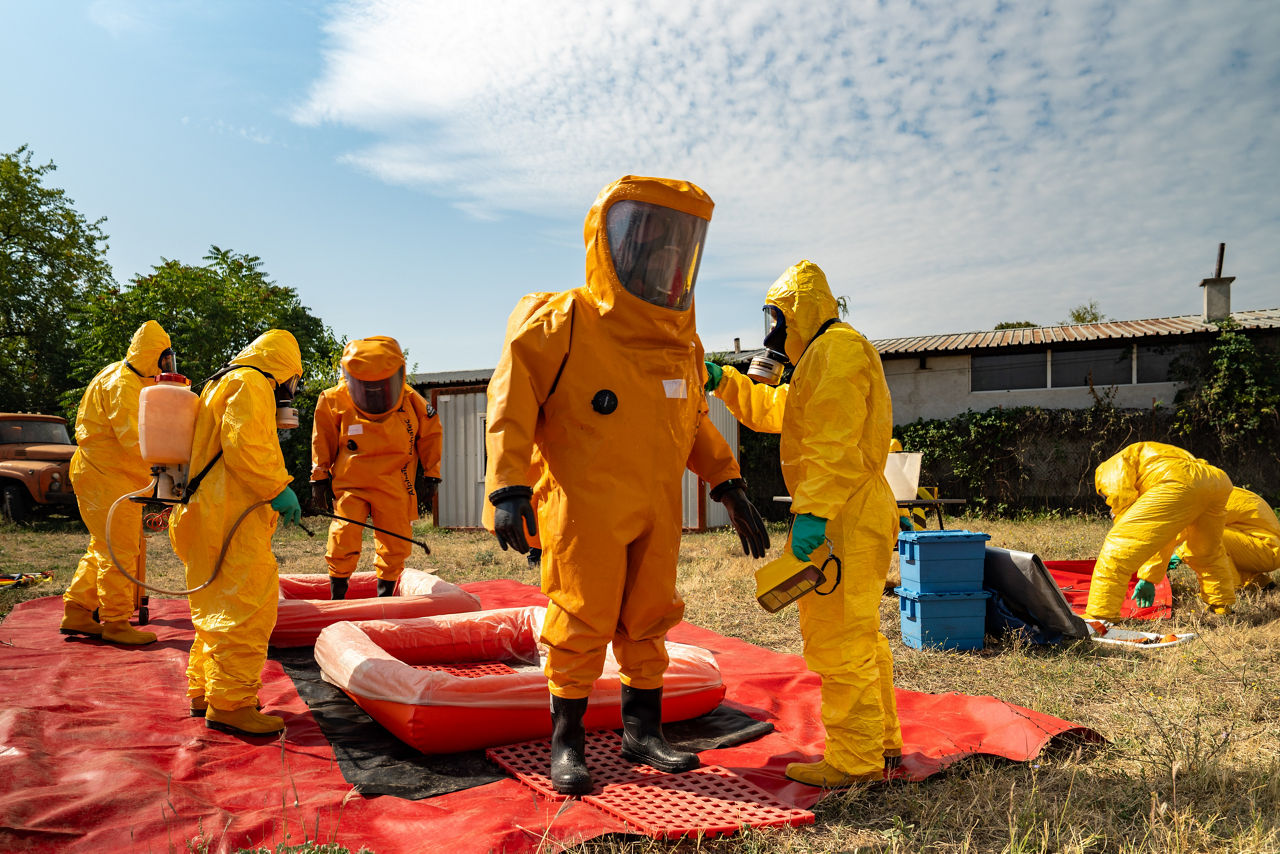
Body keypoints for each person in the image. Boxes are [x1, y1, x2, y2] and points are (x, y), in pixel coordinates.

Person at [484, 175, 770, 795]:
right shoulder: (561, 323)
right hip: (584, 508)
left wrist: (728, 482)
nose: (667, 261)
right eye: (653, 244)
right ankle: (568, 742)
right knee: (581, 616)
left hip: (655, 509)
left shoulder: (680, 344)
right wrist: (507, 488)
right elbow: (510, 405)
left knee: (648, 617)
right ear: (611, 244)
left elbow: (692, 420)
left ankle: (643, 732)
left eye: (680, 247)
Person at [705, 259, 902, 788]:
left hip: (842, 512)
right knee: (859, 635)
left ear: (796, 311)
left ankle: (854, 761)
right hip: (851, 509)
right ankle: (879, 740)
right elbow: (781, 411)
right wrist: (724, 381)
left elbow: (833, 444)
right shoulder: (822, 355)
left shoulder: (835, 351)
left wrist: (812, 515)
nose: (774, 332)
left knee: (838, 639)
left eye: (776, 318)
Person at [169, 330, 304, 736]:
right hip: (230, 513)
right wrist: (278, 488)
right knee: (248, 608)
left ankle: (205, 691)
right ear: (284, 368)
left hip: (203, 512)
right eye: (294, 379)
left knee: (215, 609)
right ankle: (231, 704)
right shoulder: (251, 383)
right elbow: (245, 444)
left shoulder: (220, 380)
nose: (292, 389)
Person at [60, 320, 176, 645]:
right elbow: (136, 441)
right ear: (153, 356)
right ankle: (115, 621)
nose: (167, 366)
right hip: (106, 477)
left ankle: (78, 609)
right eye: (164, 359)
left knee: (103, 545)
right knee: (121, 550)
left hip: (105, 474)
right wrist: (173, 465)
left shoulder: (128, 377)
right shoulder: (122, 385)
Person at [310, 336, 442, 599]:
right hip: (350, 484)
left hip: (394, 482)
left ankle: (386, 598)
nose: (374, 393)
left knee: (395, 540)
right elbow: (321, 438)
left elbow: (431, 435)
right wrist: (319, 478)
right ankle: (338, 597)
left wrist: (432, 475)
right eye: (365, 386)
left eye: (382, 386)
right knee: (343, 535)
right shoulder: (333, 399)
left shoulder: (411, 401)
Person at [1085, 441, 1234, 620]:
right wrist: (1149, 577)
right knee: (1206, 550)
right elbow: (1163, 533)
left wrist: (1119, 516)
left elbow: (1120, 497)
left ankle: (1100, 616)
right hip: (1216, 481)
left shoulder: (1106, 470)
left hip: (1179, 480)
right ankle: (1221, 606)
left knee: (1118, 548)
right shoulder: (1147, 457)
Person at [1131, 485, 1280, 606]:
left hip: (1269, 550)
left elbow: (1185, 535)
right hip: (1263, 548)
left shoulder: (1205, 501)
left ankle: (1230, 590)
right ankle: (1258, 582)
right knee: (1219, 537)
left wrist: (1174, 557)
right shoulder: (1210, 493)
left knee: (1211, 539)